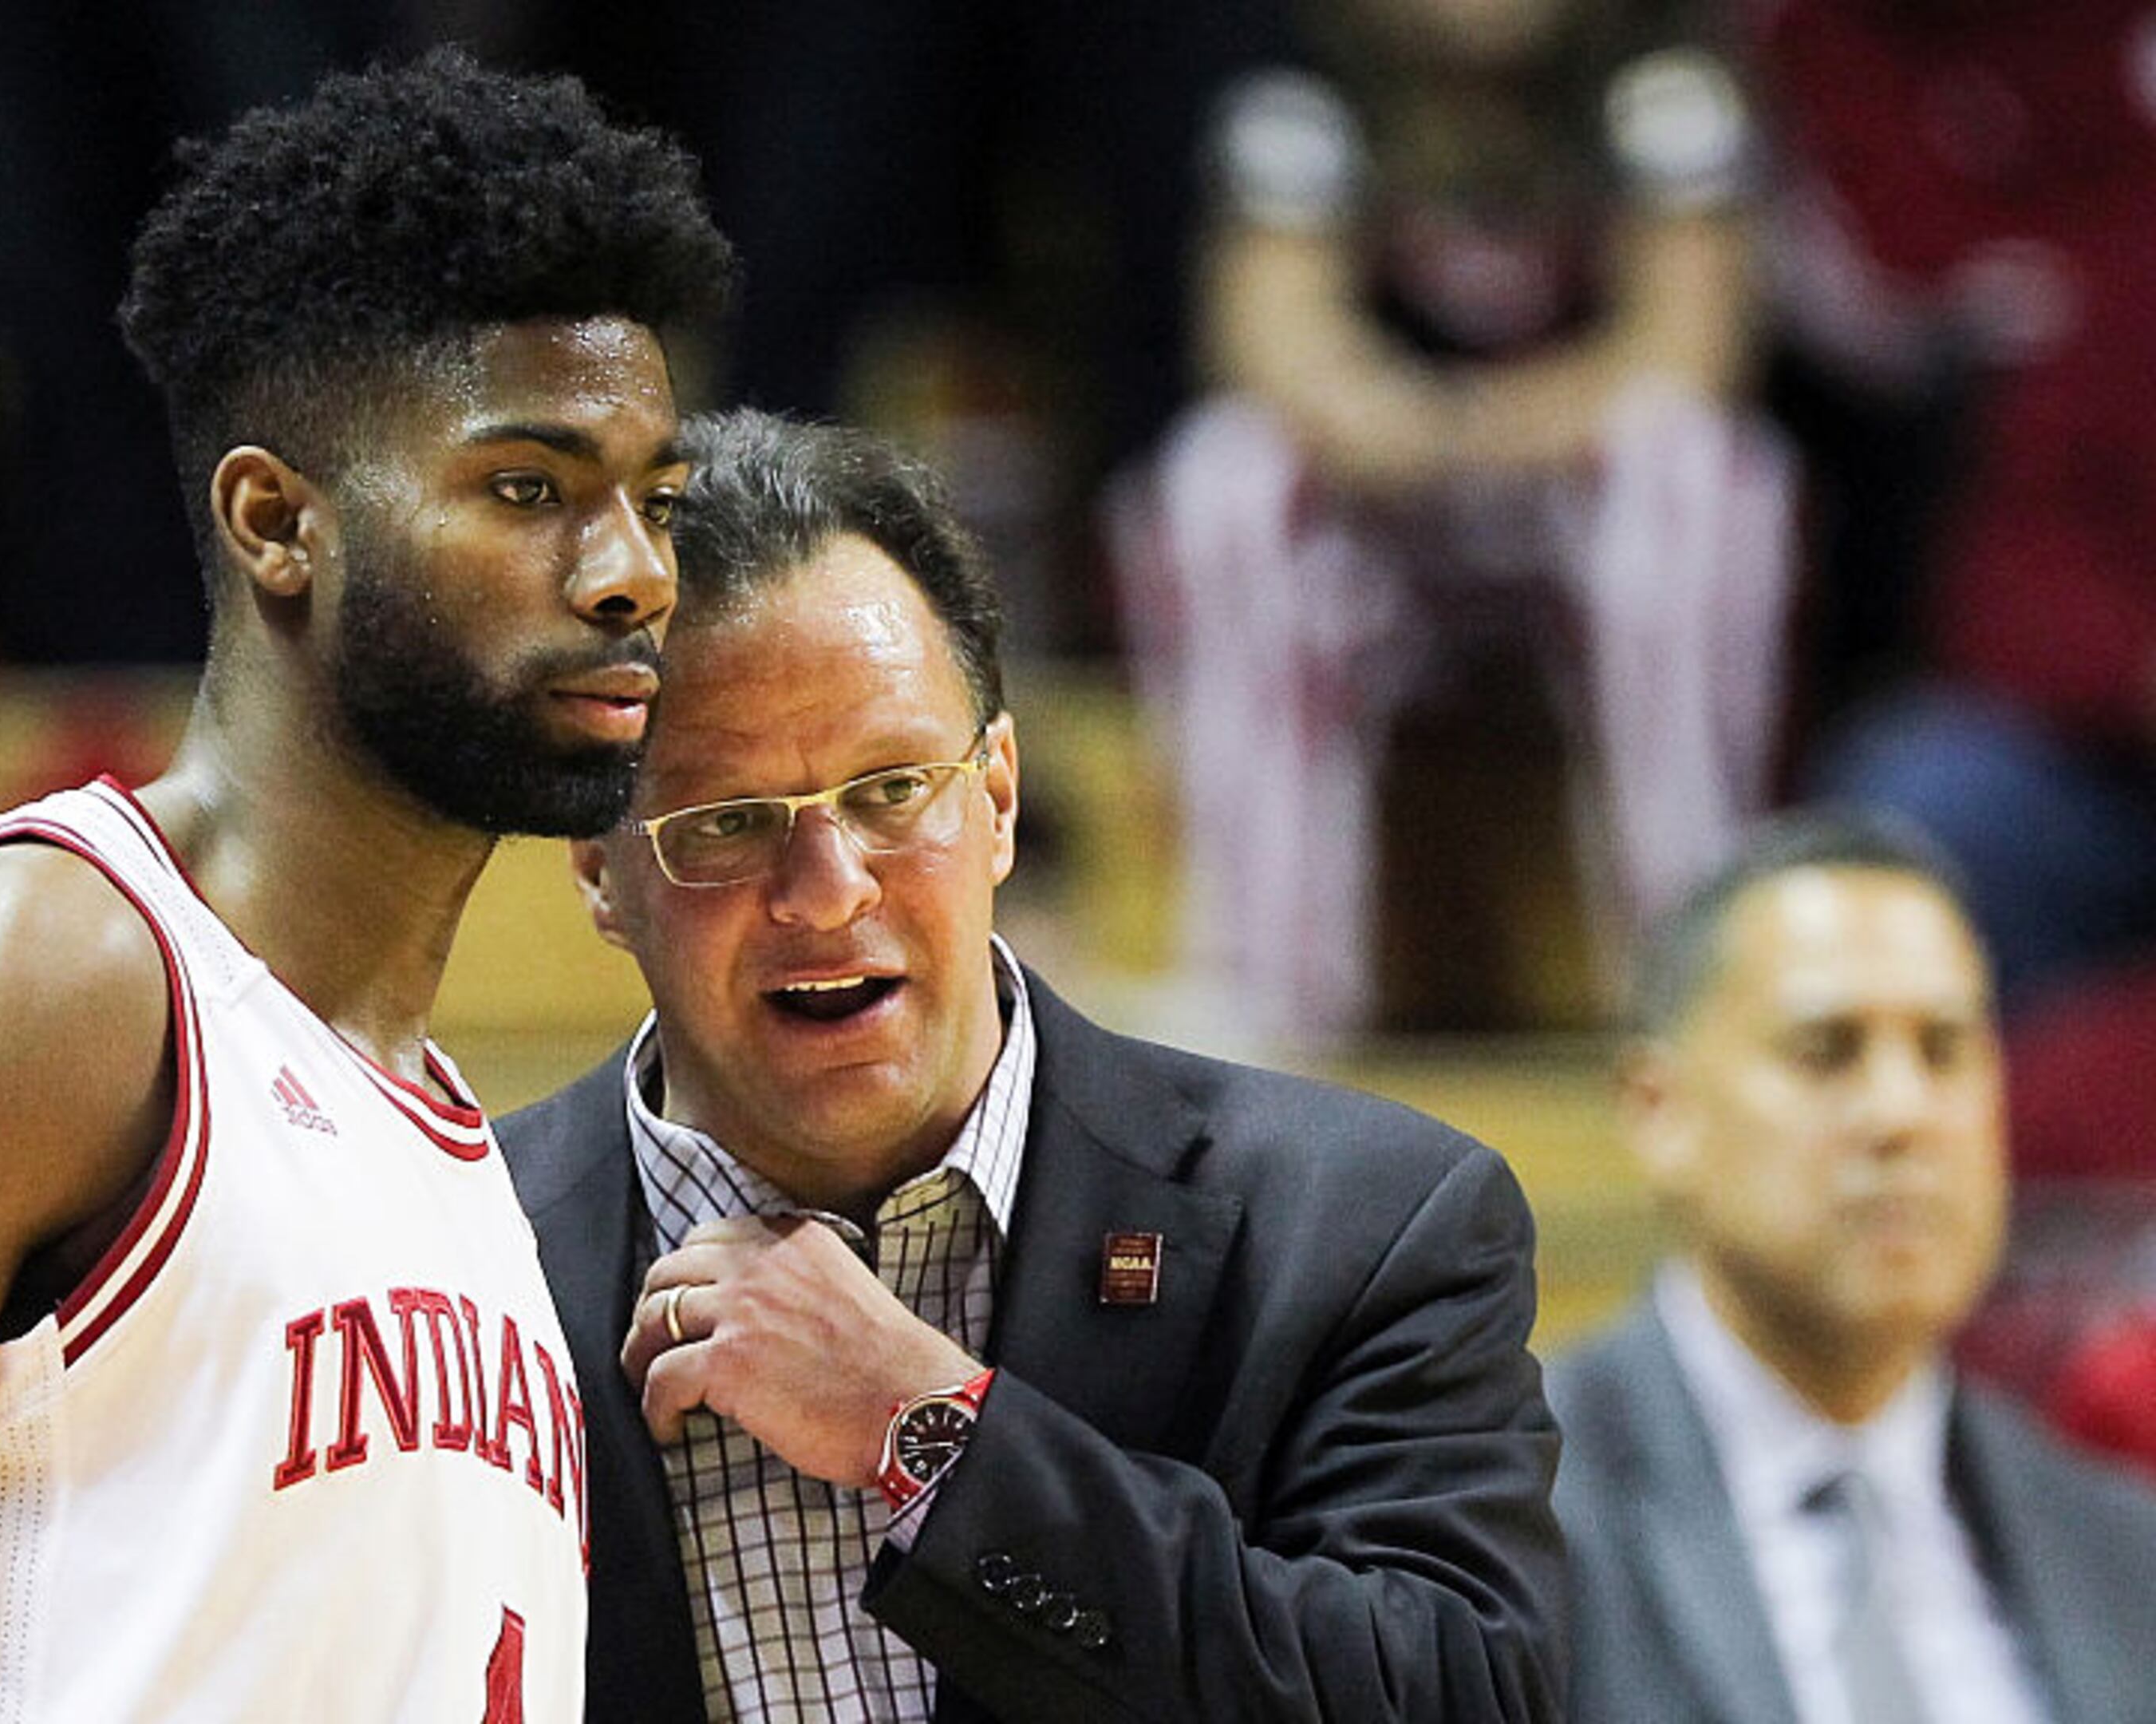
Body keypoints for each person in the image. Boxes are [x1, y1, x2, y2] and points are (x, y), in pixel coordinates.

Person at [0, 47, 733, 1722]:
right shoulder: (35, 977)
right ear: (275, 522)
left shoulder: (450, 1144)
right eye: (528, 490)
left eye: (655, 503)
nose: (631, 576)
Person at [501, 409, 1565, 1722]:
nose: (828, 893)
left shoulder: (1365, 1228)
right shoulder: (462, 1252)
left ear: (996, 797)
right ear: (600, 870)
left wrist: (934, 1429)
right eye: (730, 822)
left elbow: (1457, 1698)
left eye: (893, 790)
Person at [1109, 0, 1794, 1042]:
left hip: (1586, 518)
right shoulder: (1310, 98)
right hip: (1387, 523)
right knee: (1226, 477)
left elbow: (1685, 352)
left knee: (1697, 470)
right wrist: (1407, 430)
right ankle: (1265, 981)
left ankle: (1688, 960)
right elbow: (1272, 340)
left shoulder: (1658, 92)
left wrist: (1482, 426)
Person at [1546, 809, 2156, 1724]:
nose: (1900, 1114)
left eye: (1944, 1050)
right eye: (1827, 1051)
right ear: (1657, 1111)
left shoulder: (2120, 1545)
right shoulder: (1507, 1516)